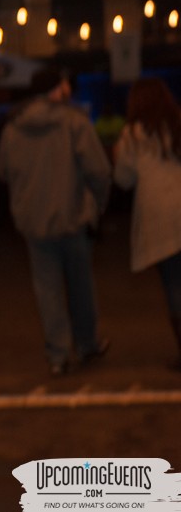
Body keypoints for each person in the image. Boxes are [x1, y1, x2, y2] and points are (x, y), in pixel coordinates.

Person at [0, 65, 111, 376]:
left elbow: (3, 172)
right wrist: (96, 206)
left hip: (34, 222)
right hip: (74, 217)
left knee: (48, 291)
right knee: (81, 287)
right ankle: (86, 345)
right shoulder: (74, 122)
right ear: (56, 90)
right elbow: (99, 171)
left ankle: (58, 355)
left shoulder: (12, 128)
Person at [111, 77, 181, 367]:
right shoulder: (177, 127)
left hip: (160, 218)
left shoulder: (132, 136)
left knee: (175, 285)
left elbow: (124, 179)